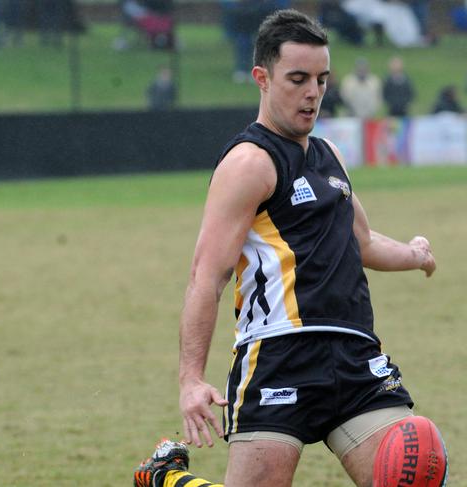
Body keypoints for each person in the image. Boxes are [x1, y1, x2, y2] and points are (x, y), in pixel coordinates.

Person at [134, 9, 439, 487]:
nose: (313, 92)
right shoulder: (248, 164)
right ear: (262, 78)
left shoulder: (329, 156)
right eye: (297, 79)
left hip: (356, 355)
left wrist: (414, 255)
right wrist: (191, 379)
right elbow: (206, 276)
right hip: (280, 356)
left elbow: (362, 241)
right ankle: (165, 478)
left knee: (416, 469)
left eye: (321, 79)